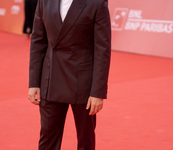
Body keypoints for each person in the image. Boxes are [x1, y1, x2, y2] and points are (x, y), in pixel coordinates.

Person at [28, 0, 111, 149]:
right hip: (50, 80)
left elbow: (102, 50)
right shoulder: (44, 1)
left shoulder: (96, 3)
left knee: (86, 142)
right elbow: (38, 42)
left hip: (83, 85)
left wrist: (98, 92)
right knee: (47, 142)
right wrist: (34, 83)